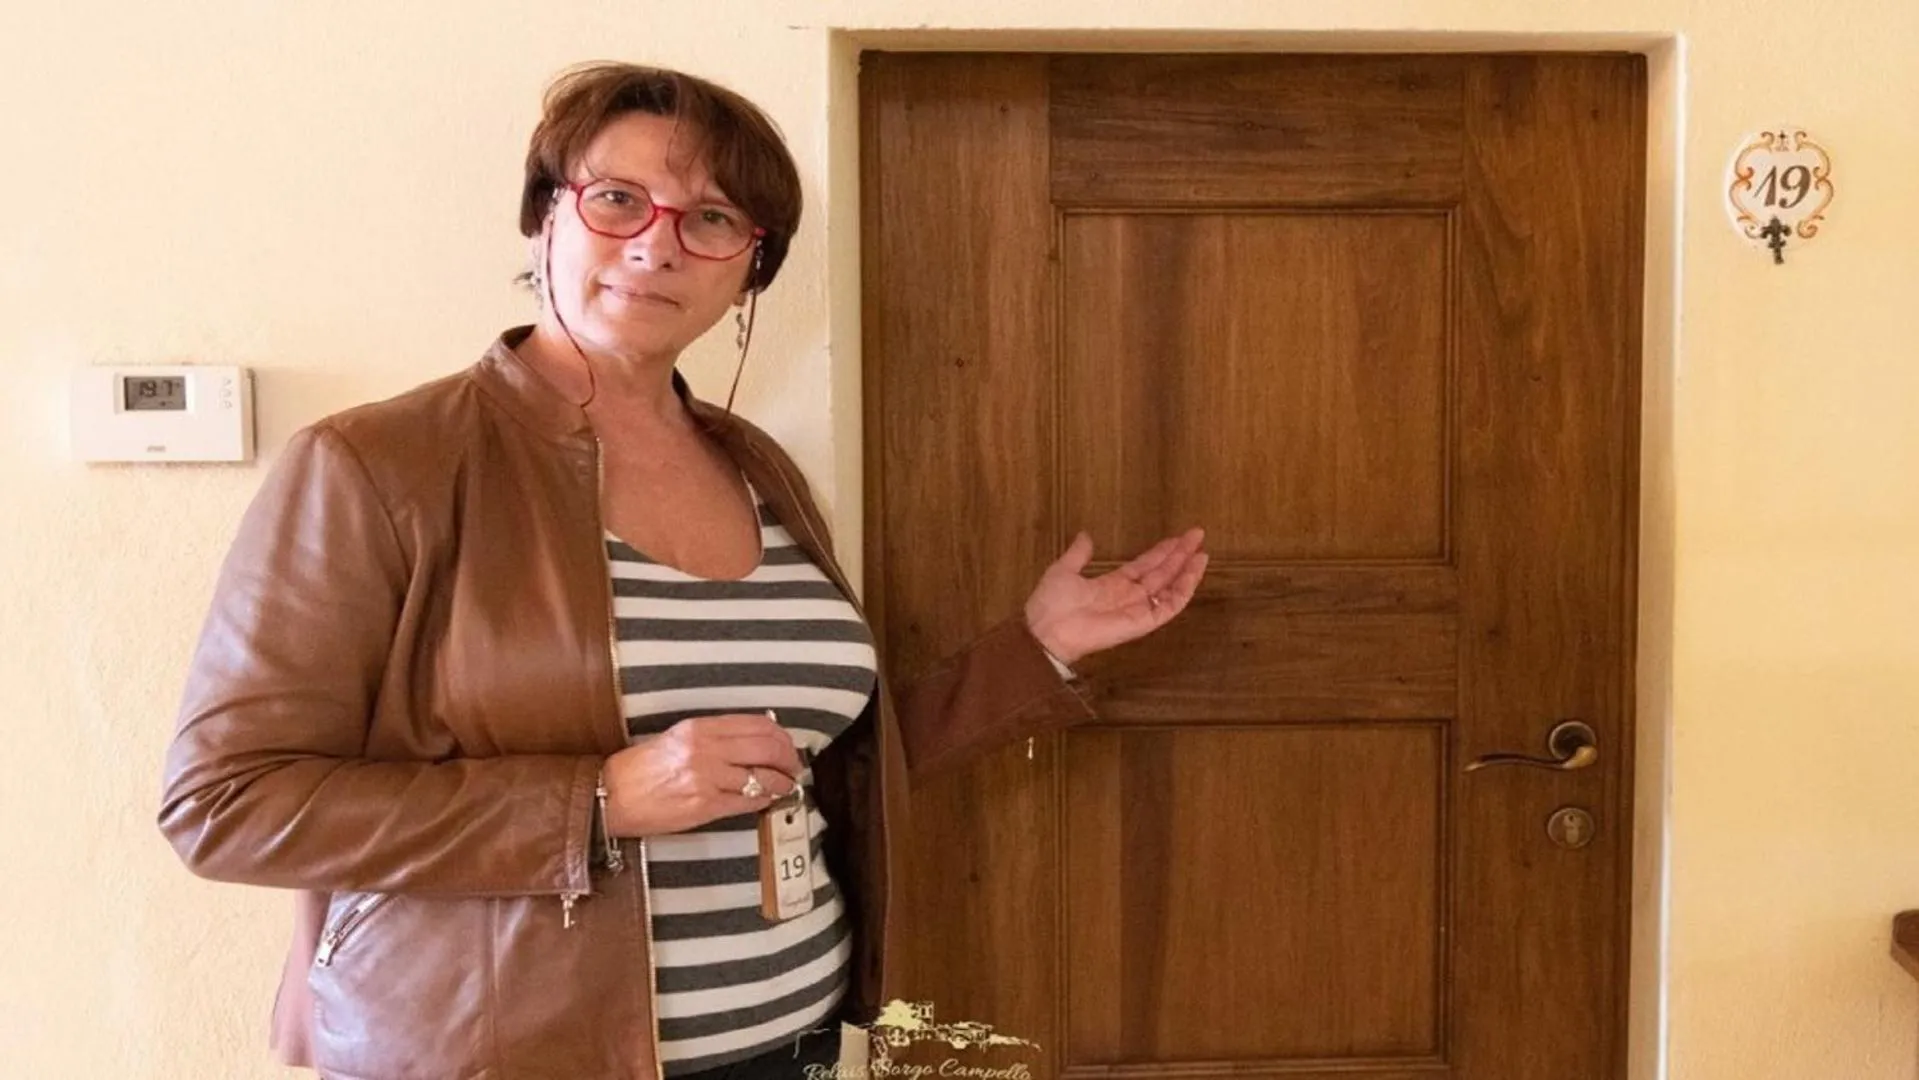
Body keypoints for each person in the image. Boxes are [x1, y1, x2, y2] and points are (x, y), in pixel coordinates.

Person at [158, 61, 1209, 1080]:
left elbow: (812, 759)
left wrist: (1038, 650)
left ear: (749, 266)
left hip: (786, 1036)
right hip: (503, 1055)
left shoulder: (755, 467)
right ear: (545, 221)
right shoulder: (378, 466)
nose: (657, 246)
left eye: (710, 219)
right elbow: (227, 803)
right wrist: (594, 802)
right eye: (618, 199)